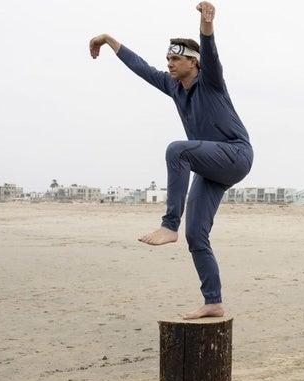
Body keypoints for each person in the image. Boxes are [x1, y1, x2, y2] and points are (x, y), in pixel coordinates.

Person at [89, 2, 253, 319]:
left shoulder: (211, 81)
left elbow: (210, 49)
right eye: (167, 59)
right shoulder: (173, 86)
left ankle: (168, 225)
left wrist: (207, 24)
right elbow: (141, 68)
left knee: (177, 149)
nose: (169, 64)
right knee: (196, 235)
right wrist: (110, 40)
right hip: (211, 167)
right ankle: (213, 300)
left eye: (175, 59)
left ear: (193, 62)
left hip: (236, 153)